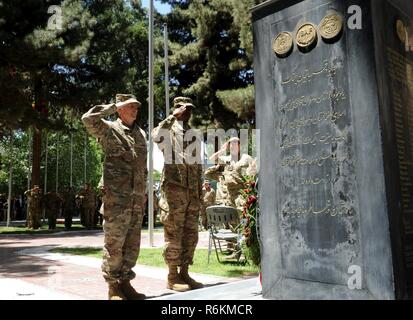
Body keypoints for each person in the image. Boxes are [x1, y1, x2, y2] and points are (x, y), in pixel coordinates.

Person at [82, 93, 147, 300]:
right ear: (120, 109)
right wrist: (111, 106)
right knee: (114, 245)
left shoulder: (140, 134)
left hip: (136, 200)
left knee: (132, 245)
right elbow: (87, 119)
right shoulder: (110, 130)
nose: (135, 109)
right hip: (117, 200)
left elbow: (142, 168)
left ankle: (125, 283)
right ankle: (113, 287)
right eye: (130, 106)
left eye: (136, 106)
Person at [153, 96, 203, 292]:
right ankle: (172, 275)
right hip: (174, 193)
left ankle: (185, 272)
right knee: (174, 235)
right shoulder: (168, 130)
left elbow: (197, 165)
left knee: (191, 235)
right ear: (176, 109)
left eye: (190, 109)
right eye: (184, 109)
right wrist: (170, 117)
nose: (188, 112)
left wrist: (199, 193)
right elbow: (156, 136)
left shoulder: (194, 133)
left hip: (192, 194)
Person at [205, 137, 256, 212]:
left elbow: (253, 174)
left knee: (243, 217)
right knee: (230, 220)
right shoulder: (226, 159)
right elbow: (211, 159)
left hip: (241, 194)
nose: (233, 147)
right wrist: (222, 150)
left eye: (235, 144)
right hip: (229, 195)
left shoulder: (246, 158)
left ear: (239, 146)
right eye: (231, 145)